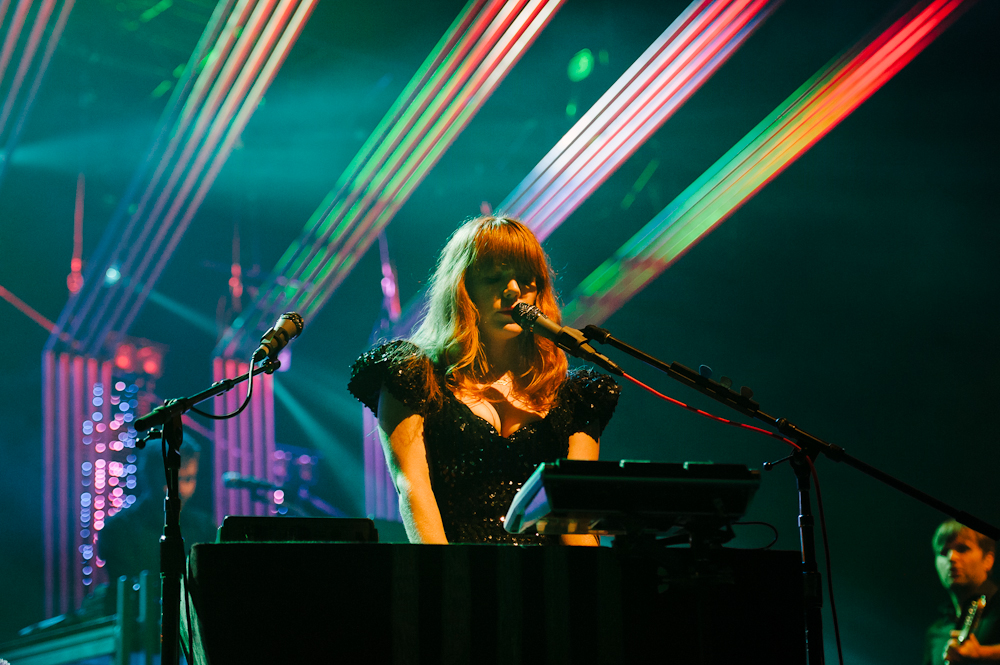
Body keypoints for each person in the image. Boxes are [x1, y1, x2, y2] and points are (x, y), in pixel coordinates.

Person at [348, 215, 619, 545]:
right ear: (463, 288)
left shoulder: (574, 396)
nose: (514, 291)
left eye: (526, 279)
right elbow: (413, 489)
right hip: (457, 576)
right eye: (495, 278)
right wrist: (453, 582)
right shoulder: (413, 375)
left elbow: (573, 522)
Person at [924, 519, 1000, 664]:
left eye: (962, 548)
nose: (951, 558)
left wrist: (983, 654)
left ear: (988, 560)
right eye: (943, 552)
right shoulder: (936, 632)